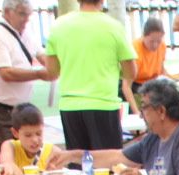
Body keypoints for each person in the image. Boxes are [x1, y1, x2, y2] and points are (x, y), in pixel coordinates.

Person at [43, 0, 135, 151]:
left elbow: (52, 70)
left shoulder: (59, 25)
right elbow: (131, 71)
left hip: (70, 105)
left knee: (78, 165)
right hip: (103, 103)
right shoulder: (113, 26)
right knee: (109, 164)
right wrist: (115, 70)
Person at [0, 0, 48, 163]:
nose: (26, 19)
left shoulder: (26, 32)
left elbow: (40, 54)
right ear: (8, 12)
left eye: (28, 15)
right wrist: (40, 74)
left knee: (27, 154)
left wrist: (54, 65)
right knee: (6, 156)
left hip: (21, 106)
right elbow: (6, 73)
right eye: (22, 14)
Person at [0, 103, 82, 173]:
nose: (35, 140)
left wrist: (54, 172)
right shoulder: (10, 147)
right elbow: (7, 164)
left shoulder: (52, 151)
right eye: (28, 135)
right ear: (15, 133)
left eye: (38, 133)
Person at [131, 17, 167, 96]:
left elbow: (162, 69)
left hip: (153, 83)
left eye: (158, 41)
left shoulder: (162, 46)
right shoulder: (135, 48)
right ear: (144, 36)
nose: (155, 45)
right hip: (134, 84)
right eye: (151, 41)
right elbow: (127, 83)